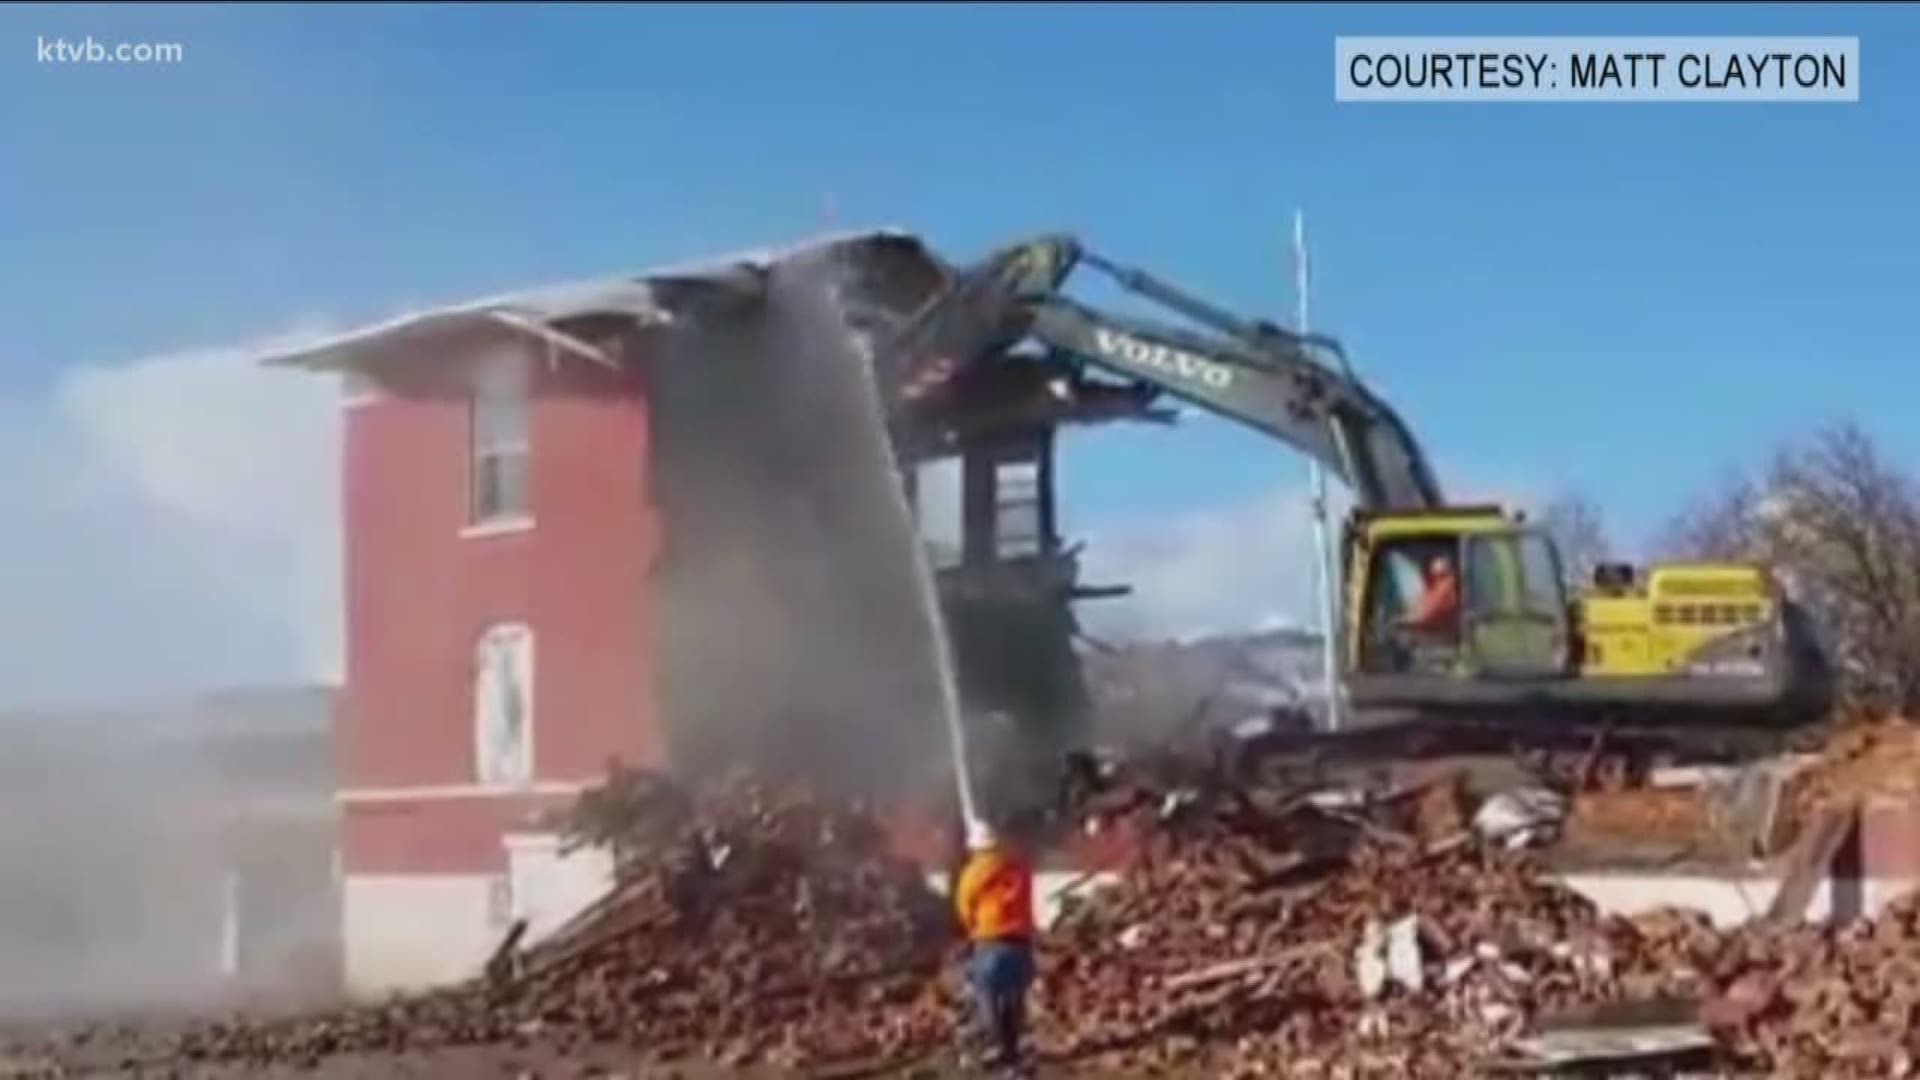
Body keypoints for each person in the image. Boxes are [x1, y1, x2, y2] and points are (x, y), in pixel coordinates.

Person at [953, 816, 1037, 1076]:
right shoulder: (1018, 868)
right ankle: (1013, 1052)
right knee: (1014, 999)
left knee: (987, 997)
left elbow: (964, 907)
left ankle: (998, 1047)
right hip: (1021, 943)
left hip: (990, 942)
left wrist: (974, 929)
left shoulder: (973, 872)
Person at [1400, 552, 1460, 634]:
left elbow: (1428, 613)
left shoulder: (1445, 584)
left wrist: (1407, 619)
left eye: (1439, 561)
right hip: (1427, 629)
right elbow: (1418, 604)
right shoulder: (1431, 585)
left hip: (1438, 632)